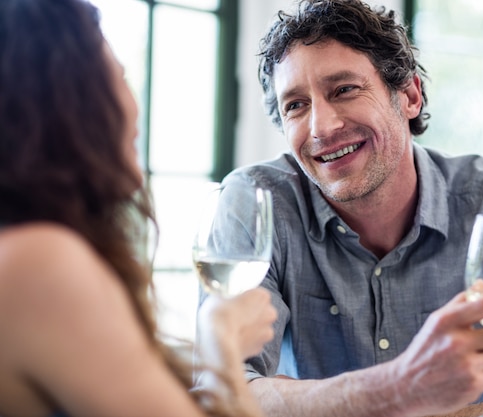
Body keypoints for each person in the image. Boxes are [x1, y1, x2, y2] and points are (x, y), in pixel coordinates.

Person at [197, 0, 483, 416]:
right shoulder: (256, 203)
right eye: (296, 105)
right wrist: (390, 392)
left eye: (344, 89)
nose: (321, 127)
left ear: (409, 96)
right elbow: (224, 391)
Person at [0, 0, 277, 416]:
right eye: (121, 78)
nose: (135, 106)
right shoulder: (42, 262)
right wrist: (221, 341)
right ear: (69, 102)